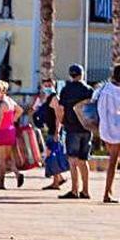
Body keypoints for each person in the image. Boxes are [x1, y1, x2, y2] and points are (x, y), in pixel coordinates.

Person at [58, 64, 94, 199]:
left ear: (70, 75)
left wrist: (62, 122)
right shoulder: (88, 89)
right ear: (81, 74)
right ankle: (86, 190)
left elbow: (61, 109)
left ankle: (74, 190)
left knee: (72, 159)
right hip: (86, 128)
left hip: (72, 128)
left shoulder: (66, 90)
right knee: (84, 160)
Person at [30, 79, 66, 189]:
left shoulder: (54, 98)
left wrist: (57, 132)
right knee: (50, 156)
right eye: (45, 85)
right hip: (50, 130)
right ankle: (58, 179)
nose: (47, 87)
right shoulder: (45, 99)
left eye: (49, 85)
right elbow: (34, 110)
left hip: (54, 131)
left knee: (52, 156)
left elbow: (58, 116)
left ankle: (57, 181)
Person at [0, 80, 25, 190]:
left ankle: (1, 183)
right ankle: (17, 174)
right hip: (10, 130)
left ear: (3, 91)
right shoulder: (9, 101)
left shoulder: (1, 104)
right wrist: (12, 120)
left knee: (1, 159)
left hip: (2, 132)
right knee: (8, 158)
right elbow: (20, 110)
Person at [93, 65, 120, 204]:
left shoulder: (104, 88)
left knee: (113, 161)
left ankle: (108, 192)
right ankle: (107, 193)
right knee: (113, 162)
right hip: (117, 130)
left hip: (105, 129)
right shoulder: (117, 92)